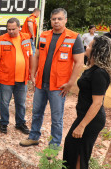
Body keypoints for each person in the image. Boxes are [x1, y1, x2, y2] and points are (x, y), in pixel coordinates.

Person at [19, 8, 85, 149]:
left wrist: (71, 83)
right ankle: (33, 137)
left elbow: (79, 62)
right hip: (41, 83)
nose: (56, 21)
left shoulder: (74, 37)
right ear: (51, 20)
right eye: (54, 19)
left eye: (59, 19)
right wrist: (32, 73)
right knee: (36, 112)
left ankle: (54, 144)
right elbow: (36, 55)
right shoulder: (43, 35)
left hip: (59, 85)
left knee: (56, 117)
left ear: (65, 20)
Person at [59, 36, 111, 169]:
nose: (87, 47)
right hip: (84, 115)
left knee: (81, 152)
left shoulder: (100, 74)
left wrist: (82, 125)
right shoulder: (92, 68)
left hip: (91, 120)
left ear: (97, 51)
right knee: (71, 144)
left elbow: (97, 103)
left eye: (90, 45)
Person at [0, 18, 34, 134]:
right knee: (4, 102)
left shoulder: (26, 39)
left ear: (19, 27)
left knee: (21, 103)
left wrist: (32, 75)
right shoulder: (2, 40)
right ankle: (4, 123)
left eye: (13, 29)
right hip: (6, 79)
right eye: (8, 29)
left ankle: (20, 123)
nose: (11, 31)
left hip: (22, 78)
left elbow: (30, 57)